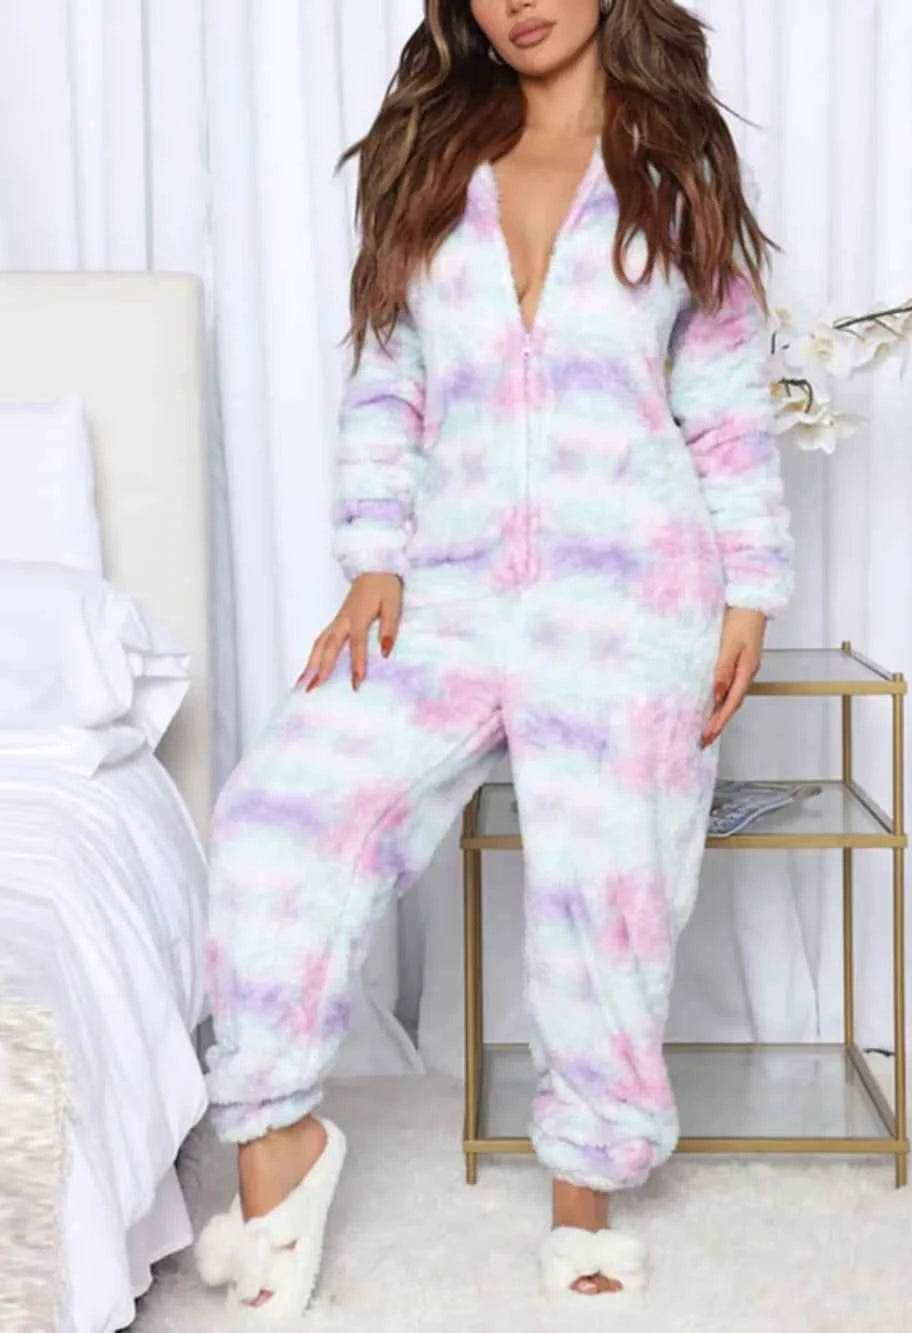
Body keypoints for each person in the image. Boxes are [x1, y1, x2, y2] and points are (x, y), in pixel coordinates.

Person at [193, 0, 795, 1315]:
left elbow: (725, 394)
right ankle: (277, 1135)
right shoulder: (436, 162)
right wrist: (374, 555)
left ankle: (587, 1194)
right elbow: (389, 378)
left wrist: (750, 583)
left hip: (633, 589)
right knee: (278, 818)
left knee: (608, 891)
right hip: (453, 584)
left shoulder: (671, 164)